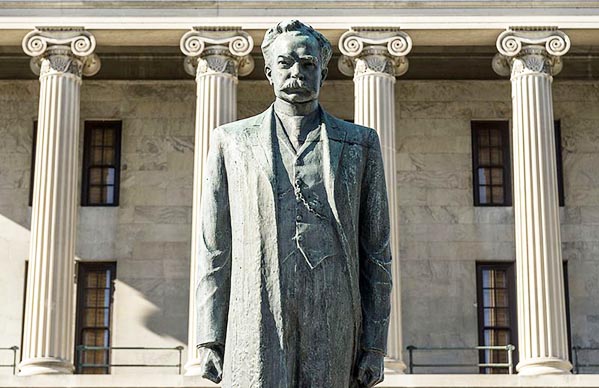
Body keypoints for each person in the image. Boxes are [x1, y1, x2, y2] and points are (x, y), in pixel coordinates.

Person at [196, 19, 392, 387]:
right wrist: (210, 337)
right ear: (269, 72)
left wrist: (375, 345)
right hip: (255, 313)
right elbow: (214, 248)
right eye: (285, 63)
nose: (296, 73)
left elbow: (377, 253)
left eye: (307, 64)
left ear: (323, 71)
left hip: (334, 316)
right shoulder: (231, 142)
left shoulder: (361, 144)